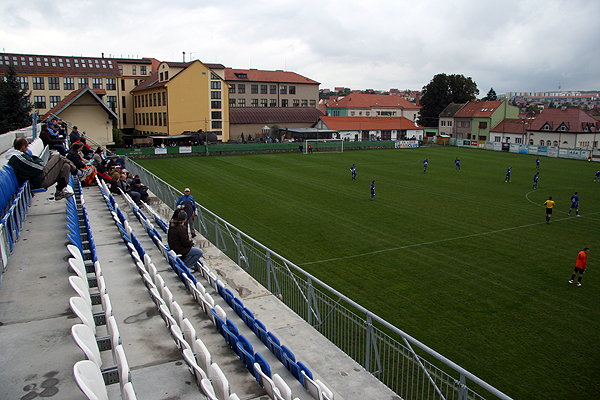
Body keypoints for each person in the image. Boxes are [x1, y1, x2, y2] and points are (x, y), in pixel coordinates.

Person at [6, 137, 76, 200]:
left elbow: (35, 159)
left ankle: (59, 191)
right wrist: (38, 162)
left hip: (39, 177)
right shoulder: (18, 158)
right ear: (22, 147)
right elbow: (40, 167)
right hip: (39, 180)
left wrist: (37, 161)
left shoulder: (21, 155)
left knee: (66, 166)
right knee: (58, 157)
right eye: (26, 146)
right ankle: (77, 172)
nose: (27, 148)